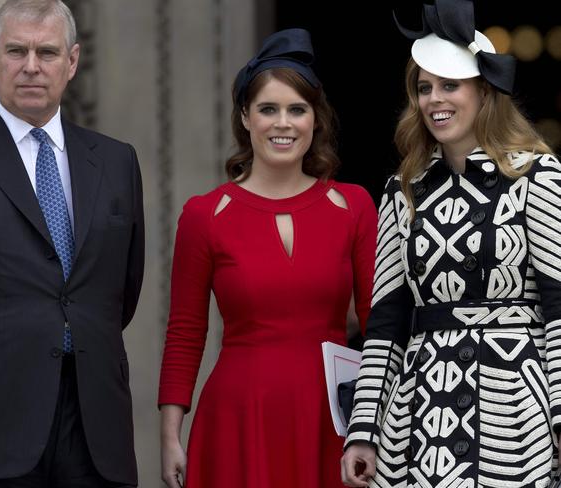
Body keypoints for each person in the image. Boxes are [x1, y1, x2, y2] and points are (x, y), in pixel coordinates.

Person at [0, 1, 144, 486]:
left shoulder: (117, 161)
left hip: (92, 429)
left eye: (47, 52)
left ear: (73, 61)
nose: (32, 66)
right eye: (17, 51)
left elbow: (119, 292)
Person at [341, 0, 561, 486]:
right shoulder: (403, 190)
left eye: (449, 85)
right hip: (416, 419)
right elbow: (387, 321)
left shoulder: (536, 174)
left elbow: (558, 304)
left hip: (512, 418)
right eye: (424, 88)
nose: (434, 99)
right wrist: (362, 429)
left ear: (484, 92)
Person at [158, 28, 377, 488]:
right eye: (268, 109)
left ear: (315, 119)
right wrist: (171, 435)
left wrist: (377, 423)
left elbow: (378, 324)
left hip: (330, 419)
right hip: (237, 419)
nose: (283, 123)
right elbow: (184, 331)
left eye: (297, 110)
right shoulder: (205, 215)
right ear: (245, 116)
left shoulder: (354, 206)